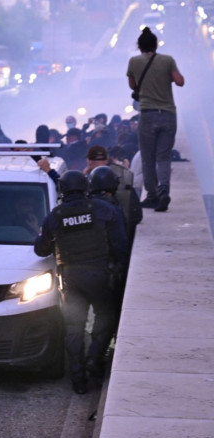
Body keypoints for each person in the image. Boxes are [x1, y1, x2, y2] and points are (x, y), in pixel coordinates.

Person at [34, 171, 129, 394]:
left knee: (74, 326)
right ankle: (94, 357)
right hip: (100, 276)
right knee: (105, 315)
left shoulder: (55, 216)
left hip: (71, 279)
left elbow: (41, 250)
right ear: (86, 187)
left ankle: (78, 379)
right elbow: (121, 246)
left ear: (62, 190)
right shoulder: (103, 209)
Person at [127, 26, 184, 212]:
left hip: (147, 115)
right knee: (163, 157)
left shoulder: (134, 62)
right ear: (156, 45)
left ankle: (152, 196)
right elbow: (180, 81)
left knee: (148, 158)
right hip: (168, 114)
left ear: (139, 46)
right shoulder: (167, 60)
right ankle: (164, 191)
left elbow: (132, 85)